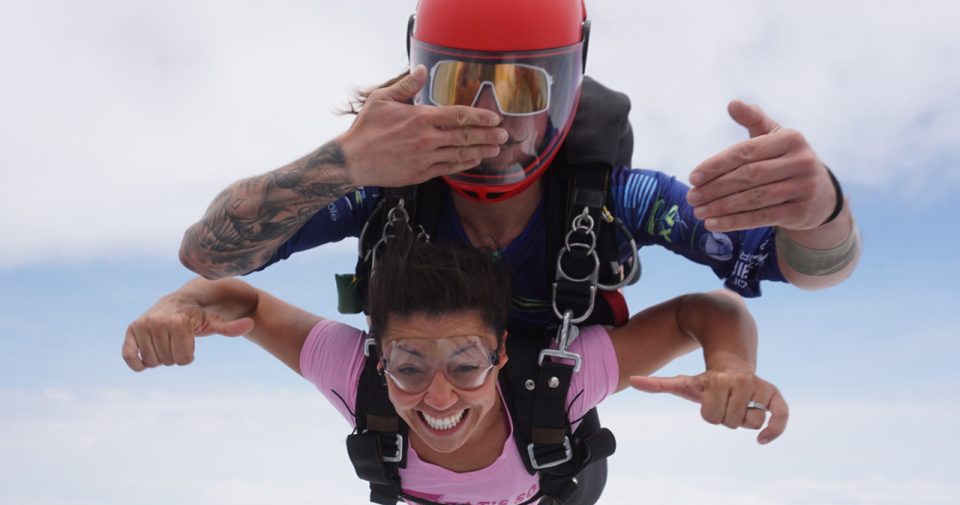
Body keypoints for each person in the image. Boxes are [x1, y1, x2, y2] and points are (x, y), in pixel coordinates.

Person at [178, 0, 860, 307]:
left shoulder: (613, 199)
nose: (488, 114)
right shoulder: (383, 190)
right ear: (419, 81)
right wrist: (344, 164)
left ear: (567, 89)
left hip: (550, 449)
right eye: (456, 82)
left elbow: (798, 268)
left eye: (521, 85)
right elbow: (208, 254)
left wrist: (822, 207)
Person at [124, 233, 787, 505]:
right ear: (378, 357)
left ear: (502, 355)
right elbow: (248, 303)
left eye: (465, 363)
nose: (438, 397)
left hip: (560, 491)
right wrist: (181, 303)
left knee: (576, 480)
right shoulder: (356, 373)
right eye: (409, 365)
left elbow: (711, 311)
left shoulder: (555, 384)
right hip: (508, 487)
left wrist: (729, 364)